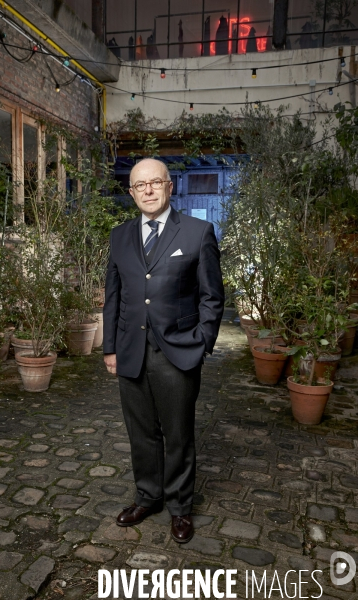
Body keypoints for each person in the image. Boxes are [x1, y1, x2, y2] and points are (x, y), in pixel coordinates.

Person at [103, 158, 224, 543]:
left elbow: (212, 297)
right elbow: (113, 297)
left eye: (156, 182)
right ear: (132, 192)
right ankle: (148, 497)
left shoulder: (197, 232)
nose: (149, 190)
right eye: (141, 185)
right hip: (130, 350)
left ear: (170, 187)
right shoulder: (119, 237)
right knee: (141, 432)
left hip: (178, 351)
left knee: (178, 433)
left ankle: (180, 507)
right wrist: (110, 348)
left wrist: (203, 341)